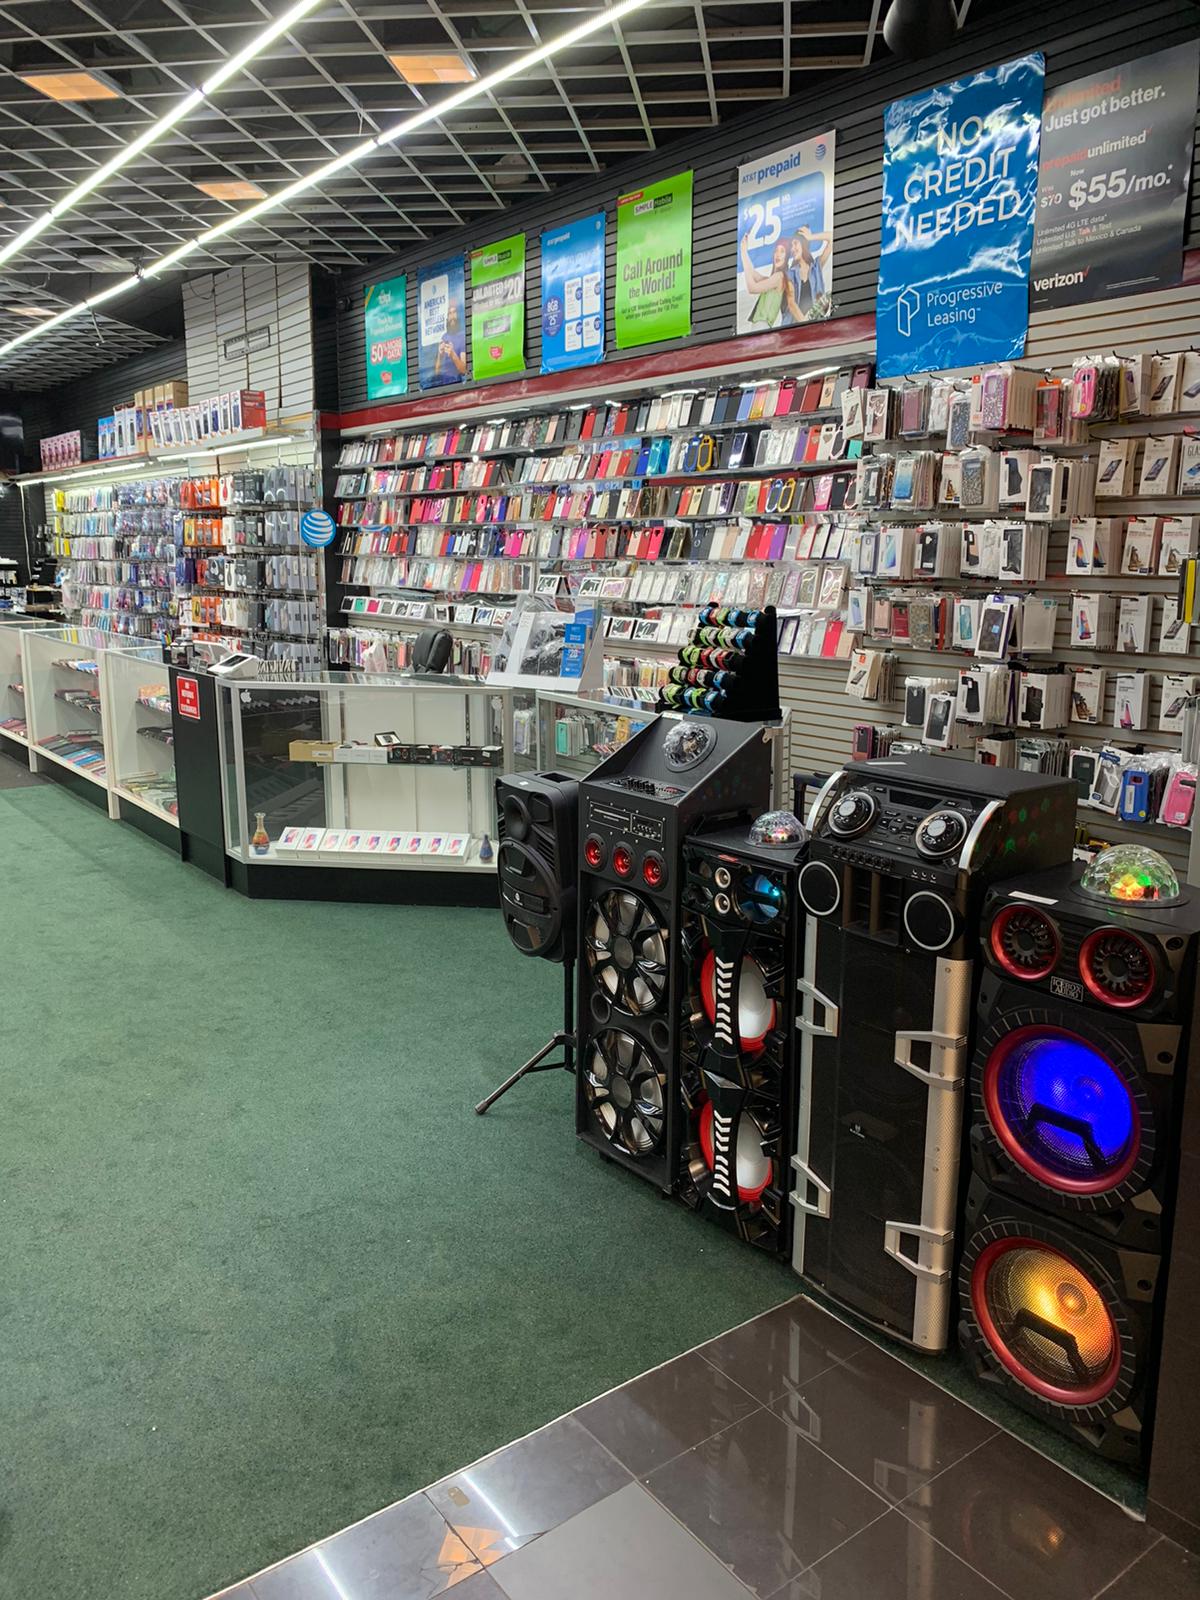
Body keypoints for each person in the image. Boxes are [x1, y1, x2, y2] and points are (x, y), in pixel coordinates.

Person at [739, 233, 791, 328]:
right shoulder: (771, 280)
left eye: (782, 251)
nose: (778, 254)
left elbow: (752, 288)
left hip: (762, 325)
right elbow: (752, 272)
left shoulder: (779, 277)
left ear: (786, 256)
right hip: (761, 326)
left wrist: (743, 253)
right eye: (776, 250)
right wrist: (743, 251)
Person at [786, 226, 832, 322]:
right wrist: (805, 323)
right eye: (791, 246)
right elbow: (791, 304)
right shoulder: (790, 274)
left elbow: (831, 238)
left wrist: (811, 237)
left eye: (795, 243)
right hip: (798, 325)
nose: (792, 249)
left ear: (803, 243)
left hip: (817, 324)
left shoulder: (816, 267)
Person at [435, 299, 467, 379]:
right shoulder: (444, 337)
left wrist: (452, 354)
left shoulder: (463, 336)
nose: (452, 316)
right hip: (444, 382)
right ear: (447, 317)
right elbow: (436, 372)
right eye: (450, 313)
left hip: (457, 381)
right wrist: (440, 355)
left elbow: (464, 370)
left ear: (458, 315)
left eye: (454, 312)